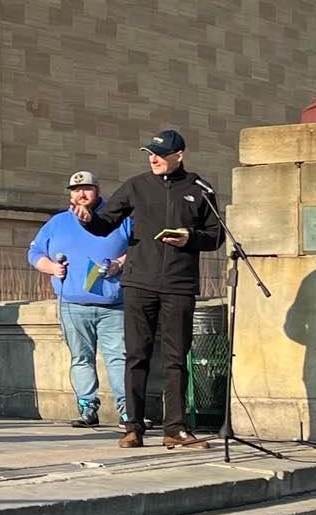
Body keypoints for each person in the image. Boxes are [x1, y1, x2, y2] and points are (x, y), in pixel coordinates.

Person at [74, 129, 225, 449]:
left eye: (160, 154)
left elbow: (216, 236)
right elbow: (104, 224)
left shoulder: (200, 188)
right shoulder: (136, 185)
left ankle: (176, 428)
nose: (153, 158)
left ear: (179, 156)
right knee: (136, 356)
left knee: (175, 359)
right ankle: (133, 427)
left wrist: (189, 238)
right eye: (149, 153)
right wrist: (87, 219)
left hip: (179, 284)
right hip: (140, 282)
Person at [27, 172, 132, 429]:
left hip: (114, 304)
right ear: (70, 194)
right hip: (73, 304)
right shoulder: (57, 223)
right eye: (75, 190)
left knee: (119, 357)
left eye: (86, 189)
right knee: (80, 358)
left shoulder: (119, 218)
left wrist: (120, 263)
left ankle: (127, 410)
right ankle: (87, 408)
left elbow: (138, 248)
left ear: (98, 190)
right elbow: (34, 252)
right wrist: (51, 267)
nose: (81, 194)